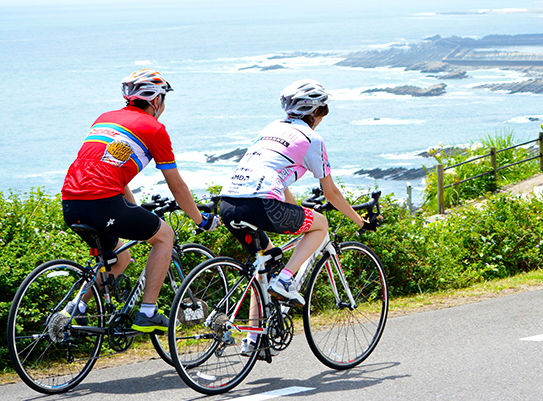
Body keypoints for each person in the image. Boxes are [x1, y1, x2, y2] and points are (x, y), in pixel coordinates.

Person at [218, 79, 378, 355]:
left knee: (264, 262)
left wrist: (296, 208)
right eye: (323, 111)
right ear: (315, 112)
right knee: (320, 224)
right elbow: (332, 194)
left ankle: (254, 339)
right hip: (262, 205)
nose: (323, 117)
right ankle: (286, 280)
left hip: (229, 204)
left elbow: (276, 176)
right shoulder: (312, 139)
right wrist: (361, 221)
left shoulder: (271, 128)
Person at [61, 69, 219, 333]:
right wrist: (200, 219)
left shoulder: (105, 119)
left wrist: (131, 209)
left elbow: (112, 173)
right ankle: (147, 312)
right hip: (103, 203)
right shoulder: (154, 129)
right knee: (164, 236)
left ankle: (76, 307)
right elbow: (176, 185)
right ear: (156, 101)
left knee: (119, 259)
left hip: (71, 202)